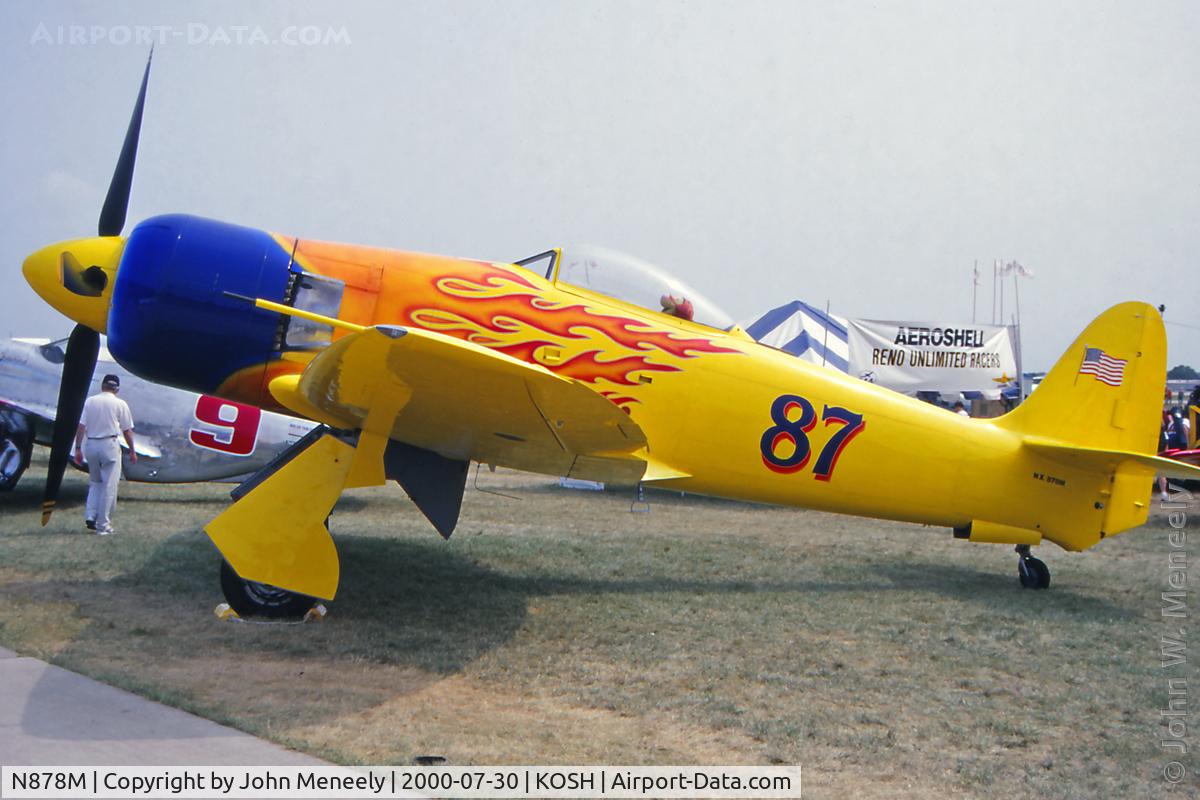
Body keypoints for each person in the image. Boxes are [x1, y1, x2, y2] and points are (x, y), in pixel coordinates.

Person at [73, 374, 136, 535]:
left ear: (102, 386)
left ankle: (90, 515)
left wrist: (78, 448)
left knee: (95, 482)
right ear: (117, 389)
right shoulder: (120, 404)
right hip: (109, 444)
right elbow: (127, 431)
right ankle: (103, 525)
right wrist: (132, 450)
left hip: (92, 444)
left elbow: (81, 426)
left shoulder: (90, 401)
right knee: (109, 485)